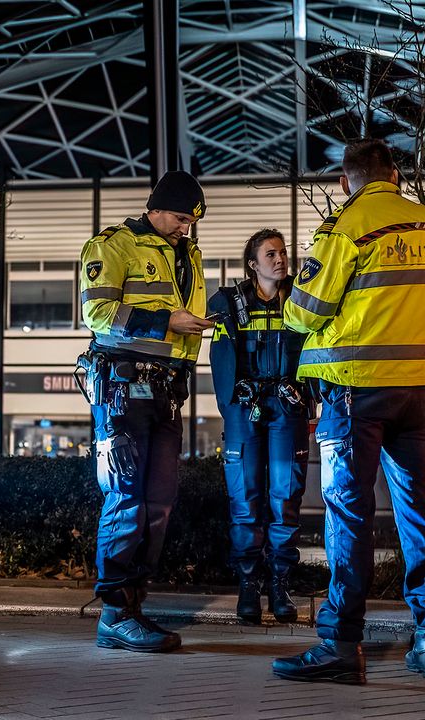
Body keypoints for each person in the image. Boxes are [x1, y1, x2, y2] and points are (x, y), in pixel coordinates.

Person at [272, 138, 425, 684]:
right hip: (417, 392)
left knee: (348, 514)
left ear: (344, 182)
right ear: (395, 175)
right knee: (421, 512)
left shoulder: (346, 228)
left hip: (354, 393)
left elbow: (303, 314)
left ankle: (340, 644)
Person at [78, 169, 213, 653]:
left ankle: (134, 604)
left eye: (191, 221)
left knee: (158, 502)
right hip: (123, 386)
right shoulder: (113, 246)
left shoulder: (186, 253)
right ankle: (115, 611)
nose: (186, 228)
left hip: (167, 392)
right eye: (180, 217)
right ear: (156, 207)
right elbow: (96, 315)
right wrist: (166, 320)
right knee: (127, 497)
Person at [207, 229, 310, 625]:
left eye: (283, 253)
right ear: (252, 264)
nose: (280, 259)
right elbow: (220, 363)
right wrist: (232, 410)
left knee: (285, 499)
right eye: (271, 254)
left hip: (288, 409)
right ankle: (248, 586)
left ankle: (280, 584)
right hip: (243, 410)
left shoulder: (302, 299)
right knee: (245, 500)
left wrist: (309, 398)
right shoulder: (228, 303)